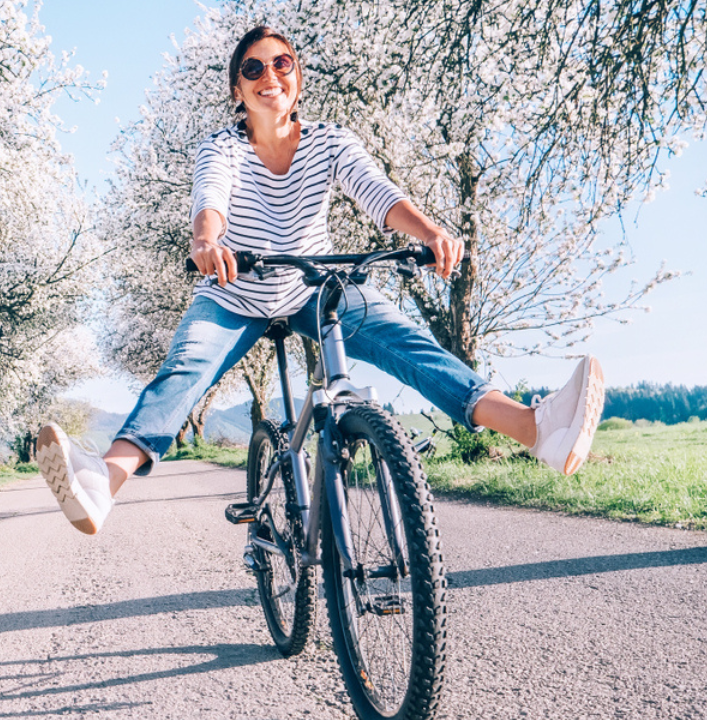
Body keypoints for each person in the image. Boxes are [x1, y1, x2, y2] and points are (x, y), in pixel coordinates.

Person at [36, 26, 605, 535]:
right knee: (185, 371)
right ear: (238, 90)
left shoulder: (330, 141)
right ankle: (103, 482)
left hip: (313, 287)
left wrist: (430, 232)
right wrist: (207, 242)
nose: (269, 75)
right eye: (253, 68)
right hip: (235, 293)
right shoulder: (223, 148)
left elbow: (377, 192)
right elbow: (211, 200)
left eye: (281, 63)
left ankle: (536, 429)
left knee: (407, 343)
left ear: (298, 79)